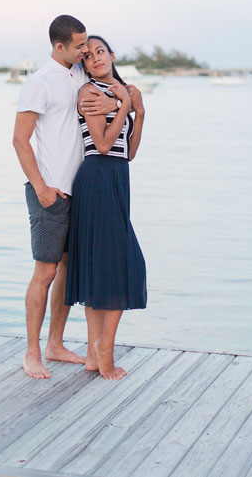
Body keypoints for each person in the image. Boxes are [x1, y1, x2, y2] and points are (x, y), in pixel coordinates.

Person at [12, 15, 119, 379]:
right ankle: (32, 353)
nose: (85, 51)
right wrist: (41, 188)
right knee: (44, 272)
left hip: (83, 191)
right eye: (79, 46)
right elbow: (19, 140)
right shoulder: (39, 83)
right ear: (59, 46)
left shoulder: (79, 74)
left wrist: (126, 102)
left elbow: (113, 89)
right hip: (50, 191)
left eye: (87, 45)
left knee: (67, 271)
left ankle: (55, 344)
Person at [64, 35, 147, 380]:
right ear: (84, 66)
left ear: (112, 55)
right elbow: (100, 144)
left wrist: (138, 111)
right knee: (124, 264)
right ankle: (105, 353)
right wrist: (124, 106)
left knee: (103, 264)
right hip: (97, 177)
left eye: (100, 51)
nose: (95, 58)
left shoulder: (123, 90)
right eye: (88, 56)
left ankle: (93, 355)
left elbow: (128, 152)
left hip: (117, 176)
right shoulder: (90, 92)